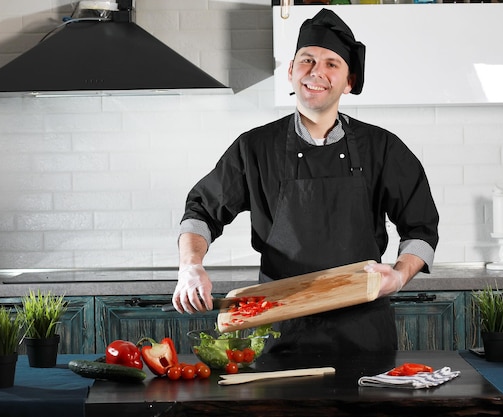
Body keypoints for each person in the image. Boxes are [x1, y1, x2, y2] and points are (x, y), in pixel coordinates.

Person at [172, 8, 439, 355]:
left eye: (332, 64)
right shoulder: (254, 147)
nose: (317, 72)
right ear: (290, 71)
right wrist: (190, 266)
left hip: (363, 333)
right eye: (307, 60)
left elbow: (421, 229)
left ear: (349, 81)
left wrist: (400, 276)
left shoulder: (382, 148)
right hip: (278, 331)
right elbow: (201, 212)